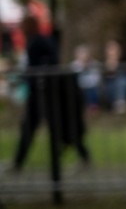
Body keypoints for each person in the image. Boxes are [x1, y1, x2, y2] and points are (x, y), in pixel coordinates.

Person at [10, 15, 91, 172]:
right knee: (51, 127)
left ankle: (22, 163)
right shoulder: (40, 41)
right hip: (44, 92)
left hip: (43, 93)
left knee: (49, 127)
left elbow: (43, 66)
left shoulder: (36, 42)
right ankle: (20, 162)